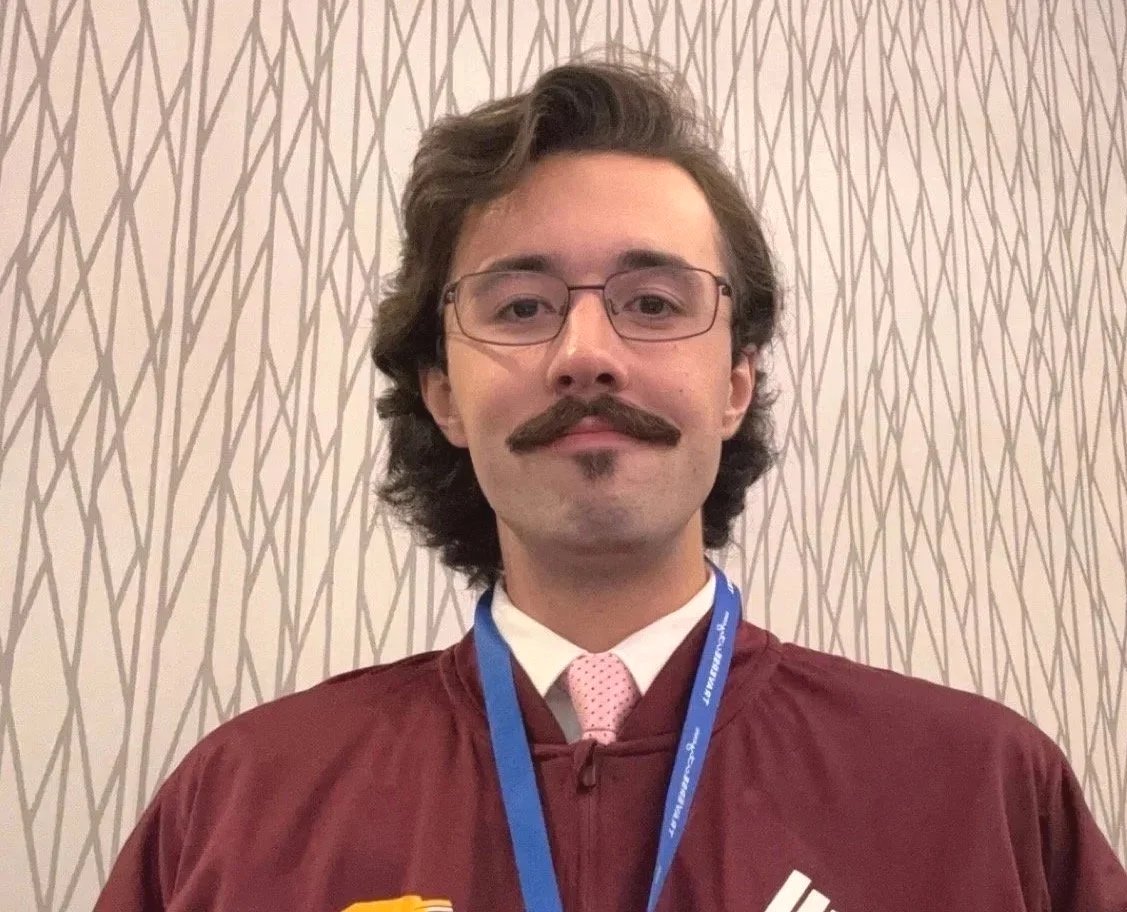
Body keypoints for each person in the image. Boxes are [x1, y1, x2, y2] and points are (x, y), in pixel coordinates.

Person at [95, 57, 1127, 912]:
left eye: (651, 302)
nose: (585, 354)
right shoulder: (242, 804)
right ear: (443, 395)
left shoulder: (978, 792)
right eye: (520, 307)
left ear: (734, 385)